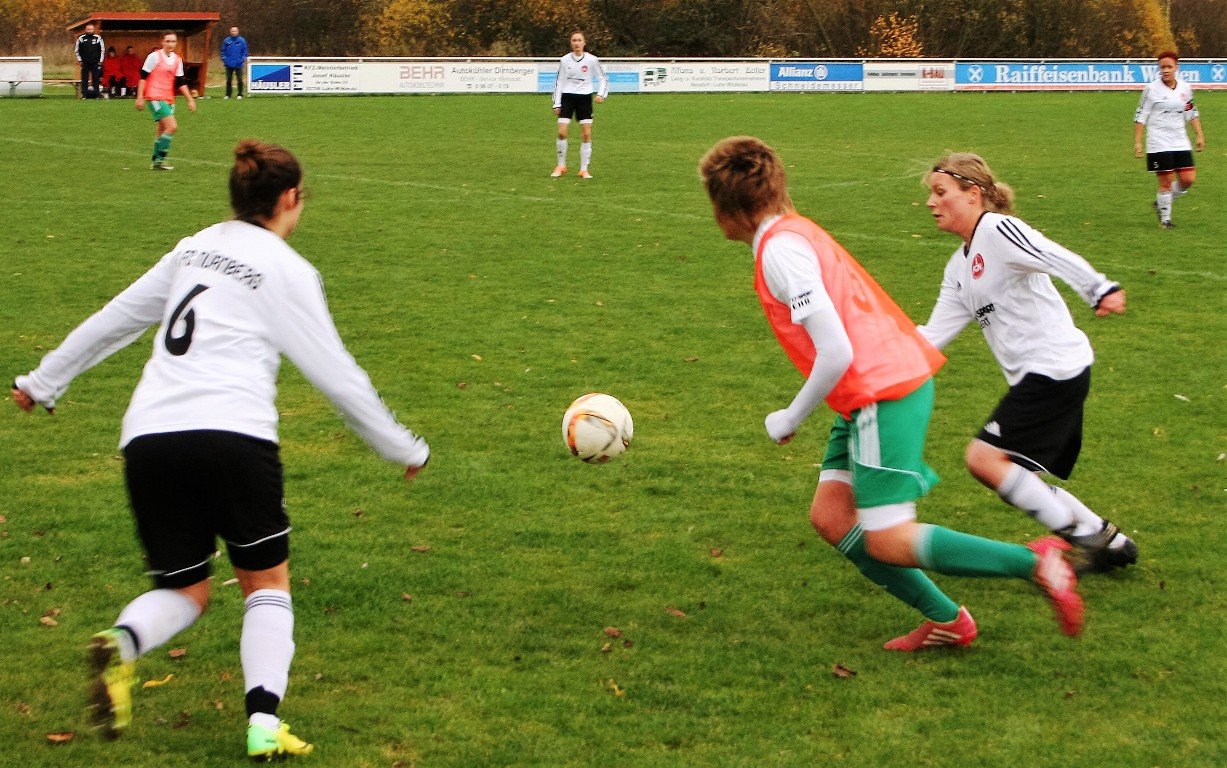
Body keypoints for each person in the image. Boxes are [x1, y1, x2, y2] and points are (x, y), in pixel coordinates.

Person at [11, 139, 430, 758]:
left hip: (149, 438)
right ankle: (263, 724)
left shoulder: (194, 248)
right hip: (234, 437)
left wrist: (43, 381)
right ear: (290, 199)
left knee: (185, 591)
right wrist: (402, 446)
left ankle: (123, 641)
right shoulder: (288, 271)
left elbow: (118, 317)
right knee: (266, 585)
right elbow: (337, 375)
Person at [698, 136, 1086, 652]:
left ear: (730, 205)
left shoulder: (781, 251)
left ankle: (1037, 562)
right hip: (866, 389)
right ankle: (947, 619)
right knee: (832, 517)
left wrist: (790, 416)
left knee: (887, 537)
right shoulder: (790, 233)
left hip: (881, 389)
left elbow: (834, 349)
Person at [918, 153, 1137, 575]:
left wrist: (1100, 288)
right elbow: (933, 336)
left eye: (940, 192)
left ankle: (1089, 539)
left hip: (1054, 369)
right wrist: (874, 353)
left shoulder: (998, 229)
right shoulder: (958, 267)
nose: (931, 202)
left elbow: (1052, 254)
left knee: (984, 460)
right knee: (1011, 471)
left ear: (973, 194)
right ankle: (1109, 542)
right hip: (1041, 376)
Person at [1133, 51, 1206, 229]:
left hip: (1180, 139)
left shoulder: (1185, 88)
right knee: (1166, 181)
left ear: (1176, 68)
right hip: (1158, 141)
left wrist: (1199, 134)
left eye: (1169, 67)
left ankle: (1161, 203)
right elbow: (1141, 115)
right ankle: (1165, 220)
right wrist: (1137, 142)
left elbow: (1191, 111)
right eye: (1162, 67)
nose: (1165, 70)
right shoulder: (1151, 89)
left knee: (1188, 179)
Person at [135, 32, 197, 171]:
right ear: (162, 42)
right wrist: (140, 97)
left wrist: (190, 99)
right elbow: (143, 77)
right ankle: (160, 160)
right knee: (172, 127)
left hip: (169, 98)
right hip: (154, 96)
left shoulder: (177, 60)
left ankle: (156, 162)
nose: (170, 44)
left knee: (162, 130)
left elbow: (181, 82)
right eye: (168, 41)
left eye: (173, 41)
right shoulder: (154, 57)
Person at [550, 30, 608, 179]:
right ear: (571, 43)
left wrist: (601, 94)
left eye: (579, 40)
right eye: (574, 40)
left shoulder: (592, 60)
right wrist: (556, 103)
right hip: (567, 97)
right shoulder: (564, 60)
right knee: (562, 132)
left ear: (584, 43)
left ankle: (583, 169)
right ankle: (561, 165)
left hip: (584, 99)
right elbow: (559, 82)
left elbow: (602, 78)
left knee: (586, 134)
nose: (577, 43)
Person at [75, 22, 105, 99]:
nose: (89, 31)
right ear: (85, 30)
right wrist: (80, 60)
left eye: (91, 29)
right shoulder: (81, 38)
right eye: (88, 29)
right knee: (84, 79)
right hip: (85, 62)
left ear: (93, 29)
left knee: (96, 79)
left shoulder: (98, 38)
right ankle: (84, 95)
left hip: (95, 62)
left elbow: (102, 50)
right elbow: (77, 50)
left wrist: (100, 61)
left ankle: (97, 95)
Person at [221, 26, 249, 100]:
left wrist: (242, 59)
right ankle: (228, 95)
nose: (234, 33)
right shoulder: (226, 41)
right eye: (232, 31)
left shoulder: (242, 41)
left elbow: (245, 51)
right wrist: (224, 59)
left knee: (240, 80)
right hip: (228, 63)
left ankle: (240, 94)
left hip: (238, 63)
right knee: (228, 80)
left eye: (235, 31)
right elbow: (223, 51)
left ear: (238, 32)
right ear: (230, 32)